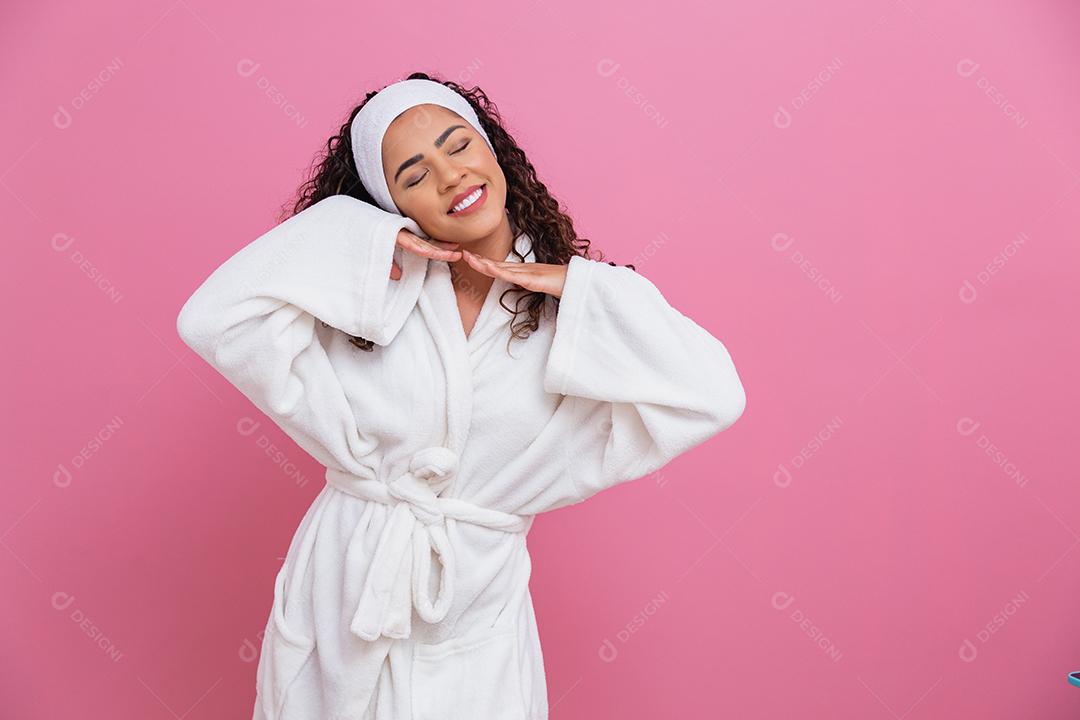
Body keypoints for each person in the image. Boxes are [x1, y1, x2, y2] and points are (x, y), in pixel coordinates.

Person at [176, 71, 747, 720]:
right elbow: (210, 321)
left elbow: (713, 395)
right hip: (347, 582)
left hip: (477, 597)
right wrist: (350, 237)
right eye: (413, 175)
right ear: (389, 206)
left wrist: (585, 291)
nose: (449, 176)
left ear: (492, 150)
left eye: (458, 145)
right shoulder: (366, 300)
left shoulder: (578, 318)